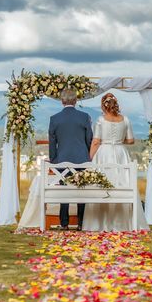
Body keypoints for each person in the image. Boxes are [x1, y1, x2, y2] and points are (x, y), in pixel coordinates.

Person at [82, 93, 149, 232]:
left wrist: (89, 160)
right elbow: (131, 140)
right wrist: (118, 142)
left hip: (103, 154)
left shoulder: (100, 120)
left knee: (101, 186)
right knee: (122, 184)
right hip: (120, 153)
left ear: (103, 105)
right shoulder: (126, 120)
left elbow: (96, 141)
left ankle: (99, 224)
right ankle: (123, 223)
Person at [48, 88, 93, 230]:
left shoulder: (54, 119)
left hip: (62, 160)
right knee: (82, 192)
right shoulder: (84, 117)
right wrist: (87, 157)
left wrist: (54, 160)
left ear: (62, 101)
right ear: (75, 101)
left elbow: (52, 143)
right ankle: (81, 223)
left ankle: (64, 223)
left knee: (64, 192)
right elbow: (89, 139)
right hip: (82, 160)